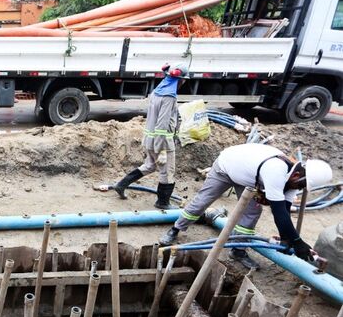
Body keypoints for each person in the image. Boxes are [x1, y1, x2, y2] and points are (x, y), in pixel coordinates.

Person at [158, 143, 333, 269]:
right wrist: (298, 242)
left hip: (248, 177)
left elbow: (284, 213)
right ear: (297, 175)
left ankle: (238, 250)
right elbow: (278, 212)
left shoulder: (293, 182)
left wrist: (287, 239)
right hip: (227, 167)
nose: (300, 189)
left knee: (251, 213)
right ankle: (175, 229)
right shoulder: (276, 170)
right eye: (301, 185)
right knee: (202, 201)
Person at [111, 62, 189, 209]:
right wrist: (163, 150)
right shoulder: (169, 97)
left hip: (149, 139)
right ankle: (163, 202)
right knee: (167, 172)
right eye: (183, 80)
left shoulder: (156, 92)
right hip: (162, 142)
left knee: (149, 166)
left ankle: (121, 185)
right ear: (180, 80)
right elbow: (162, 124)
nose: (183, 83)